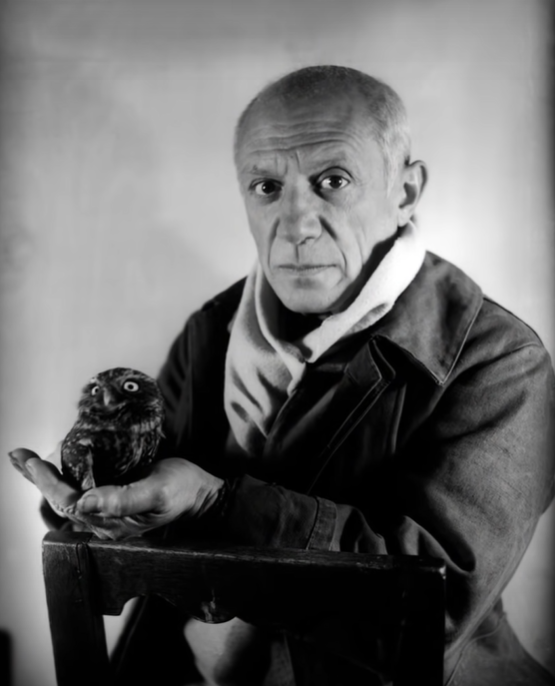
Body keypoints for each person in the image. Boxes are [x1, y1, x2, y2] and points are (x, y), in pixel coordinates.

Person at [10, 65, 555, 686]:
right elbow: (146, 502)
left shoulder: (500, 361)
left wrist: (216, 504)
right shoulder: (211, 330)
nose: (296, 223)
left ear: (405, 191)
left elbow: (437, 605)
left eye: (333, 181)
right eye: (267, 187)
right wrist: (95, 491)